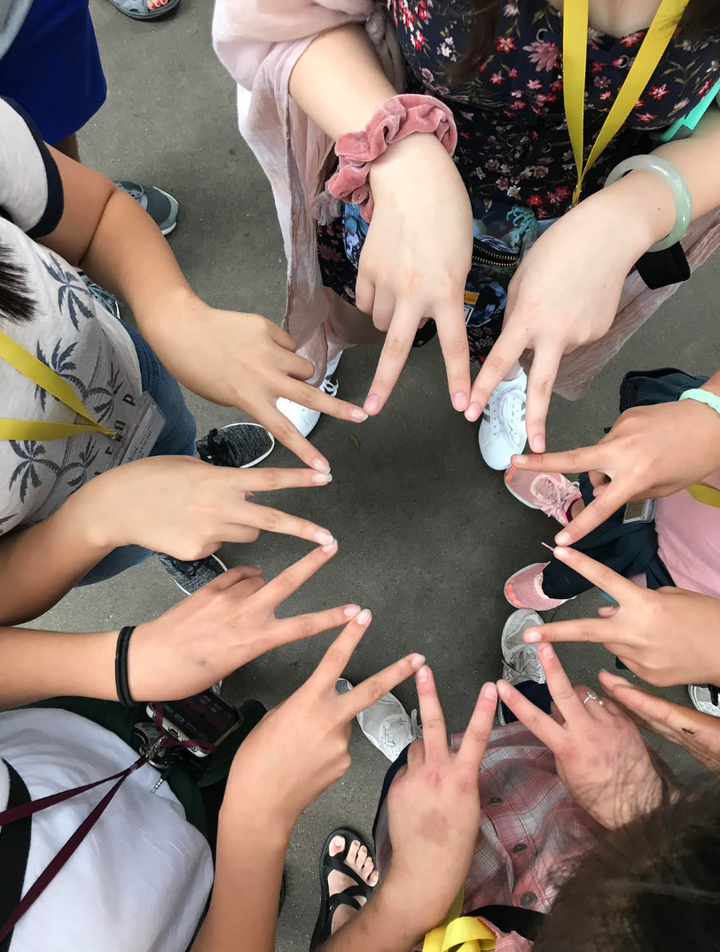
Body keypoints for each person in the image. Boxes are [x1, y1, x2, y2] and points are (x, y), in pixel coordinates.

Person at [213, 0, 720, 470]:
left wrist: (634, 212)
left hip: (578, 210)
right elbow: (283, 16)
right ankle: (326, 350)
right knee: (363, 306)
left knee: (523, 327)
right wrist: (402, 153)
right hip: (398, 175)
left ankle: (504, 372)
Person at [0, 96, 370, 621]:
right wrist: (97, 521)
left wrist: (174, 313)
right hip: (56, 527)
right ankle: (169, 547)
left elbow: (96, 214)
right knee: (143, 539)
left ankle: (196, 458)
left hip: (122, 370)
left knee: (175, 434)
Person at [0, 550, 426, 951]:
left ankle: (201, 699)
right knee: (247, 886)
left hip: (79, 722)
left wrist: (124, 662)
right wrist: (256, 826)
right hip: (189, 880)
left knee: (224, 728)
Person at [307, 617, 716, 952]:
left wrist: (402, 906)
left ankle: (412, 750)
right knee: (544, 719)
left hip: (441, 897)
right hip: (573, 796)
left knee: (409, 780)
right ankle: (519, 694)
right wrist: (647, 808)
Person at [502, 367, 720, 714]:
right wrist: (713, 408)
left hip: (682, 582)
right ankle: (576, 509)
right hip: (687, 472)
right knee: (610, 495)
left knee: (617, 574)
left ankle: (565, 581)